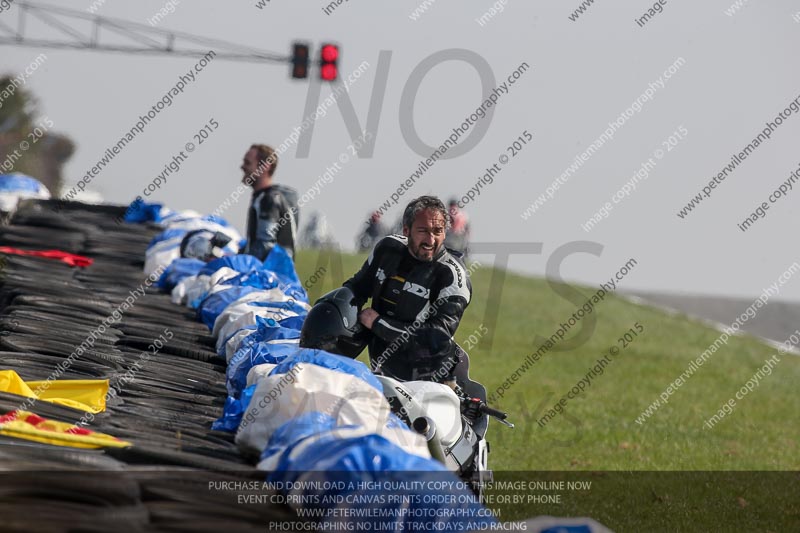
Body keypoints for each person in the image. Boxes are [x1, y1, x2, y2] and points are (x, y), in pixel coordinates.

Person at [342, 195, 472, 383]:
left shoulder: (452, 276)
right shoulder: (387, 248)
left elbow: (437, 337)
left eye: (437, 231)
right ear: (406, 230)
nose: (431, 239)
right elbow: (356, 287)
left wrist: (379, 324)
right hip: (381, 375)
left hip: (427, 383)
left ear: (445, 233)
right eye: (423, 231)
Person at [239, 144, 299, 261]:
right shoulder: (266, 197)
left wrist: (235, 263)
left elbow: (265, 247)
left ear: (265, 166)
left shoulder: (269, 199)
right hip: (278, 274)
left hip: (267, 276)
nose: (242, 167)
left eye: (247, 163)